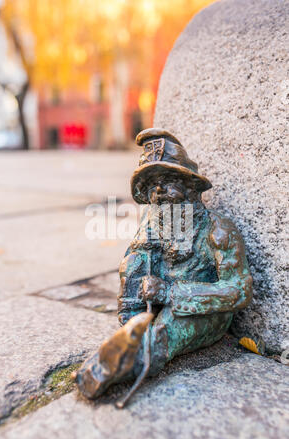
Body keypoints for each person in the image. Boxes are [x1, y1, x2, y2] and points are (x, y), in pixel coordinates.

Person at [76, 128, 253, 400]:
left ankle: (109, 369)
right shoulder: (152, 226)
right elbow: (135, 267)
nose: (158, 191)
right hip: (157, 306)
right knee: (134, 263)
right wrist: (133, 305)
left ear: (191, 188)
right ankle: (123, 346)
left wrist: (171, 294)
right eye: (151, 186)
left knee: (166, 330)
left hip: (202, 311)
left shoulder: (218, 231)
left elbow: (238, 290)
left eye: (168, 181)